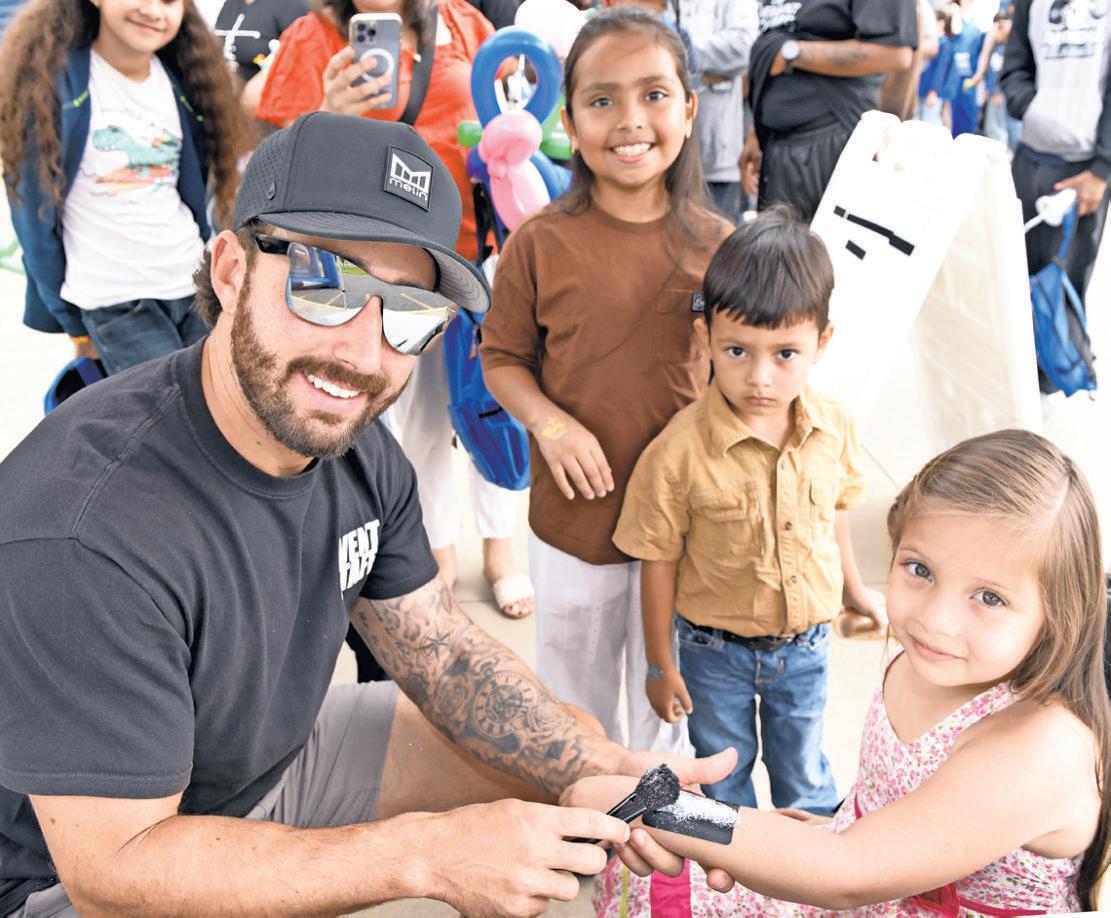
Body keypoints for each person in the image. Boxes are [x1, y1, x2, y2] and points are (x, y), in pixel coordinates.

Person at [0, 113, 734, 917]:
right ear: (232, 271)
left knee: (571, 756)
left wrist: (596, 764)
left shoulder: (347, 442)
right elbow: (114, 873)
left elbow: (440, 652)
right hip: (71, 871)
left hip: (251, 764)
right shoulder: (84, 526)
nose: (361, 352)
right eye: (324, 283)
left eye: (409, 311)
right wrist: (425, 855)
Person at [575, 428, 1109, 916]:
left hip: (857, 877)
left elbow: (846, 873)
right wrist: (841, 822)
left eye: (989, 597)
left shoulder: (1041, 748)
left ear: (1060, 612)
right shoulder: (933, 662)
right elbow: (893, 815)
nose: (936, 619)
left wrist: (659, 806)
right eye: (919, 570)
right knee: (643, 883)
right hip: (861, 867)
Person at [481, 7, 734, 752]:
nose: (630, 120)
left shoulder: (721, 248)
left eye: (653, 94)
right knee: (576, 711)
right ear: (568, 121)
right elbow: (501, 358)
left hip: (684, 532)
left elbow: (750, 379)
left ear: (688, 110)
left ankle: (655, 823)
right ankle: (589, 815)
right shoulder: (538, 243)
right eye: (601, 100)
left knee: (669, 715)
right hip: (575, 523)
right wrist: (550, 424)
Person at [255, 0, 535, 624]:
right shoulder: (310, 36)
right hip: (377, 276)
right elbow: (271, 164)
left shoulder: (464, 23)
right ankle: (435, 550)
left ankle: (500, 547)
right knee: (419, 423)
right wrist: (325, 112)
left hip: (475, 257)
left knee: (493, 409)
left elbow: (514, 114)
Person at [612, 209, 884, 813]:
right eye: (736, 350)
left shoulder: (834, 425)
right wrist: (659, 665)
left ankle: (811, 866)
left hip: (806, 647)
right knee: (722, 780)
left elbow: (835, 513)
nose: (759, 377)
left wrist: (854, 588)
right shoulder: (678, 452)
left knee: (804, 774)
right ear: (706, 336)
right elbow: (658, 561)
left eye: (785, 353)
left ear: (822, 342)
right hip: (714, 654)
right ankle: (731, 868)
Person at [0, 0, 248, 376]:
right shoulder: (53, 84)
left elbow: (195, 186)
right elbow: (33, 218)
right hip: (116, 301)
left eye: (170, 1)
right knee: (164, 406)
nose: (154, 10)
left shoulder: (181, 80)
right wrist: (69, 318)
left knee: (212, 396)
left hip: (191, 282)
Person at [739, 0, 918, 222]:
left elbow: (895, 52)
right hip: (776, 140)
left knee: (811, 243)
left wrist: (791, 54)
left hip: (828, 137)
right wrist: (756, 131)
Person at [1002, 0, 1110, 366]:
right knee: (1017, 274)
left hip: (1083, 166)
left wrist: (1102, 170)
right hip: (1031, 156)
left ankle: (1054, 374)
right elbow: (1015, 66)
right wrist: (1034, 106)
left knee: (1064, 283)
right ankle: (1020, 370)